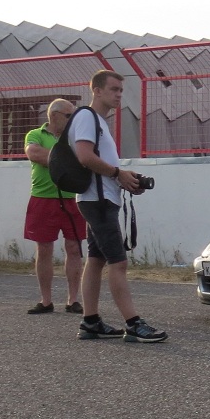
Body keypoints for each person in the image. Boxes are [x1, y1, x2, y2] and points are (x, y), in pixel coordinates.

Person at [70, 69, 168, 343]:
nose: (118, 95)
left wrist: (124, 178)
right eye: (114, 89)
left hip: (99, 198)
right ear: (97, 90)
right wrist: (118, 174)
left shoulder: (97, 121)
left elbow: (96, 162)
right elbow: (85, 157)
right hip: (98, 200)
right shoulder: (88, 118)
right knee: (118, 262)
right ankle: (133, 324)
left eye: (121, 91)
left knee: (96, 259)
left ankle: (90, 322)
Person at [23, 99, 86, 315]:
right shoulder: (35, 134)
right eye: (68, 116)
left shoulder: (76, 137)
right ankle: (46, 300)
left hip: (72, 198)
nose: (72, 120)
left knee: (74, 247)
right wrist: (68, 159)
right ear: (54, 115)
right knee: (44, 248)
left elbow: (86, 158)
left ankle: (73, 300)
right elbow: (34, 154)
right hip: (42, 198)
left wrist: (58, 158)